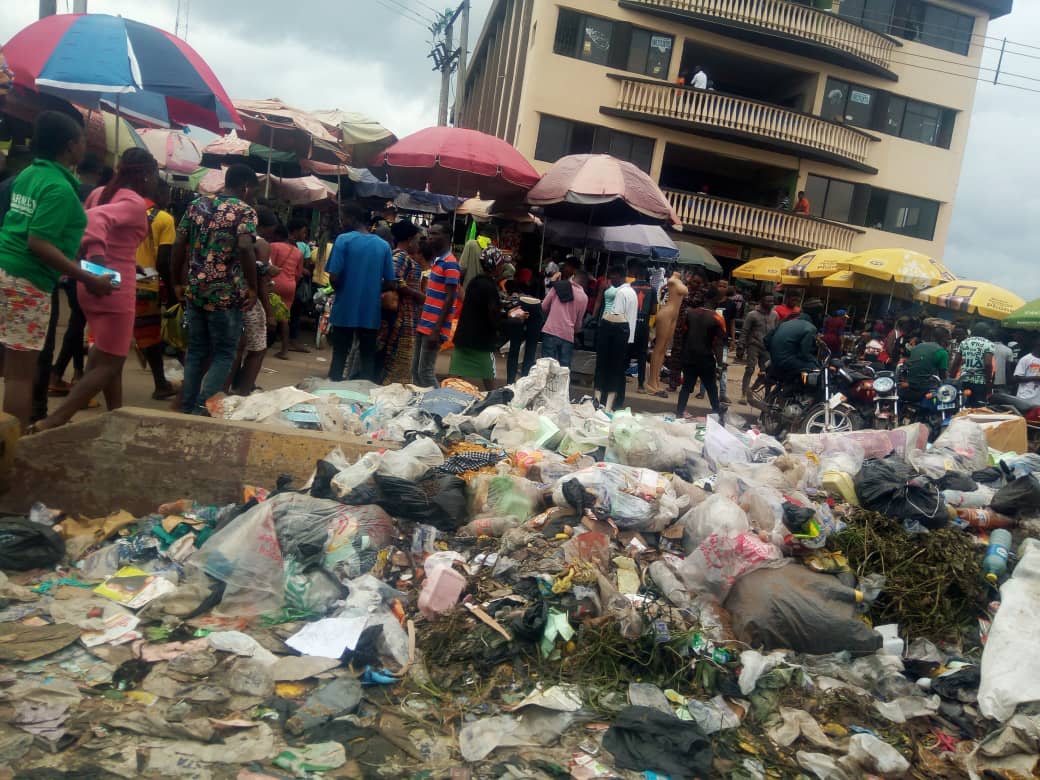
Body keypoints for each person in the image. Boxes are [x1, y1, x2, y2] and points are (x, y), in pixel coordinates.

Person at [0, 112, 115, 431]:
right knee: (20, 374)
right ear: (70, 147)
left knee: (9, 363)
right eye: (81, 140)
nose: (84, 146)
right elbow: (39, 242)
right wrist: (88, 277)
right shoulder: (60, 189)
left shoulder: (28, 175)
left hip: (5, 268)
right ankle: (13, 447)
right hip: (28, 280)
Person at [34, 148, 158, 431]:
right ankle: (54, 421)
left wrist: (97, 265)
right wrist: (101, 265)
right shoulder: (135, 203)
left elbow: (86, 227)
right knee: (110, 361)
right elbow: (94, 223)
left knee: (107, 355)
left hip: (89, 284)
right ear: (146, 173)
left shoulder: (99, 193)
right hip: (111, 286)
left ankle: (116, 417)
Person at [172, 163, 260, 415]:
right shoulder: (245, 210)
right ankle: (203, 408)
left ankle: (187, 407)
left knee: (197, 350)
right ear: (245, 187)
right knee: (224, 353)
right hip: (225, 294)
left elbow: (179, 242)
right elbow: (245, 247)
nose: (252, 195)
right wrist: (252, 287)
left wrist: (177, 281)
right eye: (252, 190)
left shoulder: (197, 204)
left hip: (196, 290)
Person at [326, 202, 396, 383]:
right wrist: (371, 288)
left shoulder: (343, 240)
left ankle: (333, 388)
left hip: (345, 308)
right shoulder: (383, 246)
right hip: (370, 311)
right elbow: (390, 281)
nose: (341, 222)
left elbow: (334, 277)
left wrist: (346, 288)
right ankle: (365, 393)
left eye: (343, 218)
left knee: (339, 355)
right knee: (367, 357)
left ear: (351, 218)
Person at [130, 182, 176, 400]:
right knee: (150, 336)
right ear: (158, 193)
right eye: (167, 193)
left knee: (102, 335)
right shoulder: (164, 219)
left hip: (117, 276)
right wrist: (172, 293)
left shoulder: (125, 212)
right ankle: (160, 383)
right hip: (146, 280)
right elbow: (164, 260)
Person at [229, 207, 277, 396]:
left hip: (232, 298)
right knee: (257, 349)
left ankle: (226, 389)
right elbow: (261, 280)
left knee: (235, 349)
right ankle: (243, 390)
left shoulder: (234, 237)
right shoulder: (261, 244)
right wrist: (269, 312)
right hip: (251, 301)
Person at [413, 221, 460, 387]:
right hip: (424, 323)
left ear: (446, 237)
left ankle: (437, 405)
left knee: (425, 373)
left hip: (434, 327)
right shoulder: (437, 261)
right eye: (430, 234)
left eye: (435, 234)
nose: (430, 237)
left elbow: (450, 298)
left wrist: (437, 330)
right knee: (416, 371)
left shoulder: (450, 263)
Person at [450, 250, 502, 390]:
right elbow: (492, 313)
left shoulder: (475, 282)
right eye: (501, 264)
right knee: (489, 378)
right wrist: (504, 320)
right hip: (481, 342)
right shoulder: (489, 287)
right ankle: (494, 402)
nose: (502, 267)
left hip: (464, 337)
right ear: (495, 266)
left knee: (455, 378)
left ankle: (448, 400)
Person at [382, 220, 425, 385]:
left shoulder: (399, 255)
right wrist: (417, 295)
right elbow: (394, 279)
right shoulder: (401, 255)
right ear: (410, 239)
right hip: (402, 314)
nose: (419, 244)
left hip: (406, 313)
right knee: (399, 356)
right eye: (417, 240)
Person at [677, 286, 724, 419]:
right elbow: (718, 344)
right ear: (716, 300)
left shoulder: (690, 313)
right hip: (705, 358)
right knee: (711, 387)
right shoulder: (717, 318)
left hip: (689, 356)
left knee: (686, 386)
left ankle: (679, 412)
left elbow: (684, 335)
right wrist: (720, 365)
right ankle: (717, 412)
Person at [595, 264, 638, 411]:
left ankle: (606, 403)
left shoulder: (620, 293)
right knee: (620, 371)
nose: (610, 280)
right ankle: (618, 402)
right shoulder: (631, 292)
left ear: (619, 276)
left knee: (610, 370)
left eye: (611, 276)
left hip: (617, 335)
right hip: (628, 336)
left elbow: (615, 317)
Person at [540, 255, 588, 368]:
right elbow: (578, 322)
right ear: (583, 283)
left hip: (550, 331)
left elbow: (544, 306)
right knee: (563, 370)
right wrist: (574, 331)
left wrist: (552, 316)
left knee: (546, 367)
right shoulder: (584, 297)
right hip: (568, 336)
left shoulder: (558, 286)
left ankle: (546, 386)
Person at [645, 272, 688, 396]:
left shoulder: (677, 281)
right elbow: (683, 290)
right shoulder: (673, 280)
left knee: (663, 349)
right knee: (659, 348)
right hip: (667, 314)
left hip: (674, 316)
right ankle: (651, 382)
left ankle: (656, 380)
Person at [267, 223, 304, 360]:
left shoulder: (273, 246)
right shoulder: (298, 251)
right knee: (284, 318)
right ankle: (284, 350)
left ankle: (263, 345)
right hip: (290, 285)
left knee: (268, 313)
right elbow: (299, 274)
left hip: (274, 283)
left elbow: (269, 267)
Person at [766, 298, 823, 380]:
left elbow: (767, 339)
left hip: (774, 358)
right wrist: (815, 361)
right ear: (816, 314)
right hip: (786, 361)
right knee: (816, 370)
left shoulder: (787, 322)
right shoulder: (810, 328)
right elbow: (804, 353)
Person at [741, 294, 778, 401]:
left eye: (772, 301)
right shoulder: (752, 315)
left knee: (767, 372)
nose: (771, 303)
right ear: (762, 301)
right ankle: (743, 394)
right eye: (768, 301)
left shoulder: (775, 315)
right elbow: (745, 330)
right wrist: (741, 345)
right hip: (754, 345)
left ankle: (764, 395)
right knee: (749, 369)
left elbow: (775, 331)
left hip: (767, 347)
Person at [286, 217, 313, 353]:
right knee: (294, 312)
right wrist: (302, 270)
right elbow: (304, 266)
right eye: (303, 232)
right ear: (295, 231)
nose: (305, 235)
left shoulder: (296, 244)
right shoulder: (300, 246)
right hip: (291, 283)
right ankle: (291, 341)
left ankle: (287, 341)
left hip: (285, 282)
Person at [629, 261, 656, 393]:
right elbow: (653, 310)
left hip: (630, 325)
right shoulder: (652, 289)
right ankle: (640, 385)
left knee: (626, 352)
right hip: (643, 325)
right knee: (641, 356)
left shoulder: (629, 287)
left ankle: (619, 379)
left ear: (635, 274)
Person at [951, 324, 995, 406]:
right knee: (977, 408)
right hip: (980, 382)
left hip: (964, 380)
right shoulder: (989, 344)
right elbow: (988, 364)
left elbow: (956, 362)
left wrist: (951, 378)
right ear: (986, 333)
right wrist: (989, 381)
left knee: (962, 405)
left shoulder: (964, 342)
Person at [905, 325, 950, 399]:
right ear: (943, 339)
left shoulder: (917, 346)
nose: (948, 342)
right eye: (947, 339)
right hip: (928, 387)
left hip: (911, 385)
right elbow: (943, 377)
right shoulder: (942, 352)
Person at [1011, 337, 1040, 407]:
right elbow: (1017, 378)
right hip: (1025, 398)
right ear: (1038, 345)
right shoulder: (1026, 359)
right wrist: (1036, 378)